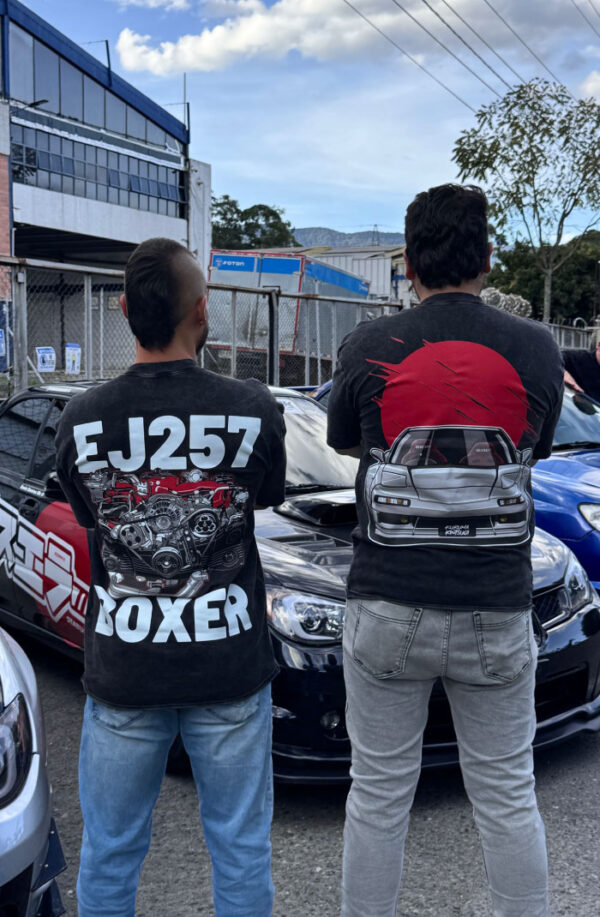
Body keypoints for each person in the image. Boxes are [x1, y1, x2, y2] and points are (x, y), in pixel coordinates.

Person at [327, 184, 563, 917]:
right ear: (487, 257)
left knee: (377, 795)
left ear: (407, 263)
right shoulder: (536, 347)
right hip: (495, 604)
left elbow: (346, 441)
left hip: (386, 601)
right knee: (507, 794)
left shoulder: (366, 345)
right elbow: (532, 448)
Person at [55, 237, 286, 917]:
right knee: (241, 851)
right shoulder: (253, 408)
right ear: (202, 310)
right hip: (228, 665)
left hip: (126, 668)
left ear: (125, 310)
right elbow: (264, 497)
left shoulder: (82, 417)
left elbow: (92, 516)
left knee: (109, 852)